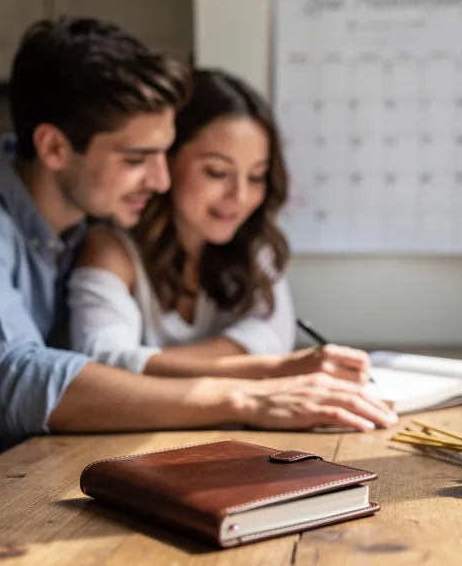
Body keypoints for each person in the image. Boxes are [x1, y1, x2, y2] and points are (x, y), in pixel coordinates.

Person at [0, 18, 396, 565]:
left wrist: (276, 370)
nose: (159, 178)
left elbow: (108, 360)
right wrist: (249, 394)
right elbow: (17, 376)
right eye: (137, 158)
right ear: (54, 147)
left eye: (165, 154)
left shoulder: (78, 232)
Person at [67, 69, 370, 382]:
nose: (239, 197)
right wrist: (268, 367)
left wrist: (146, 363)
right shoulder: (110, 248)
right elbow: (101, 362)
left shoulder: (254, 245)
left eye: (255, 177)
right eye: (216, 172)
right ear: (166, 160)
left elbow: (271, 337)